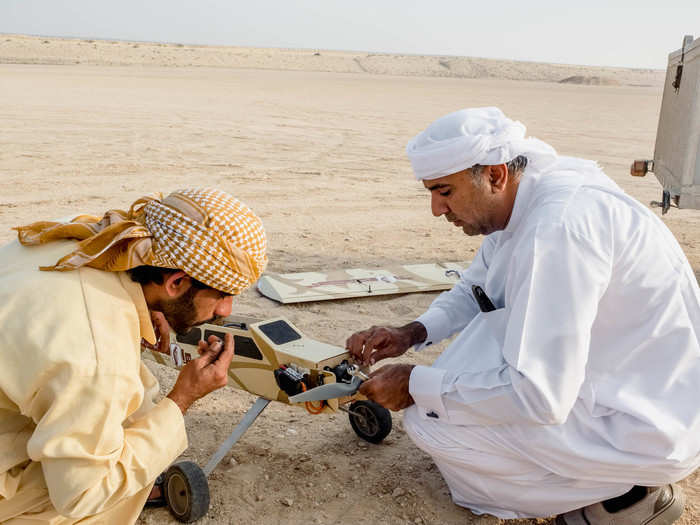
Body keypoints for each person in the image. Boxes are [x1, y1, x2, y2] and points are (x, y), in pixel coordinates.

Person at [346, 108, 700, 524]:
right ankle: (601, 477)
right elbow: (476, 287)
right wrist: (411, 332)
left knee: (430, 422)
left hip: (642, 423)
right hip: (627, 381)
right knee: (461, 367)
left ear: (495, 175)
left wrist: (414, 385)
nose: (436, 210)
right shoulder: (530, 196)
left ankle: (621, 497)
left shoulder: (557, 230)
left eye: (444, 192)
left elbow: (539, 396)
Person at [0, 188, 267, 524]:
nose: (225, 311)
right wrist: (183, 398)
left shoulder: (90, 238)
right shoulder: (97, 358)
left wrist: (141, 313)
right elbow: (81, 495)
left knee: (130, 403)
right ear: (176, 282)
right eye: (222, 295)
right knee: (109, 480)